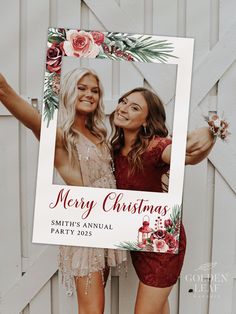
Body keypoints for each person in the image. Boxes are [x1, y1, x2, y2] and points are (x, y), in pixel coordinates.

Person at [0, 68, 127, 314]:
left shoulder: (100, 135)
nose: (90, 94)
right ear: (69, 91)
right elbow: (6, 93)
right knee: (92, 310)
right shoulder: (60, 137)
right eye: (82, 88)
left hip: (106, 228)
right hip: (85, 233)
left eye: (95, 90)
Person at [110, 87, 215, 314]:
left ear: (147, 121)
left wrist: (209, 134)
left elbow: (187, 155)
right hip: (139, 242)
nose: (123, 108)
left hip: (163, 246)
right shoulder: (115, 149)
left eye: (134, 107)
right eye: (123, 102)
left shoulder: (157, 146)